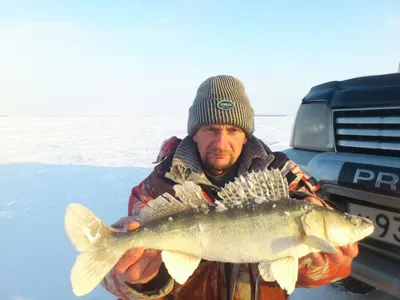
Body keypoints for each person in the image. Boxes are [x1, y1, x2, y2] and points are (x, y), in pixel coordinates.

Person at [101, 75, 359, 300]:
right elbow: (118, 280)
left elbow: (319, 275)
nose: (221, 142)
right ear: (194, 133)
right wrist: (141, 282)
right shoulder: (159, 187)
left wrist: (323, 265)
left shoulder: (284, 177)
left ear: (246, 135)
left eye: (233, 129)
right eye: (211, 128)